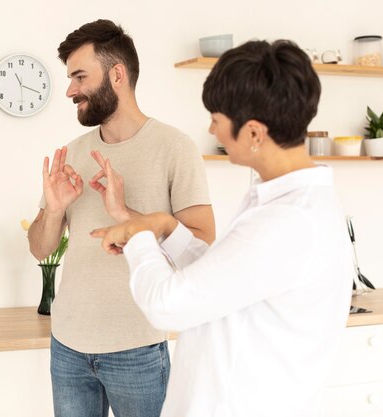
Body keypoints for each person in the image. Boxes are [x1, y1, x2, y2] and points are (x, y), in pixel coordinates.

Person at [92, 40, 354, 417]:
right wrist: (168, 229)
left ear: (253, 133)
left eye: (217, 117)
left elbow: (168, 306)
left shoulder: (287, 222)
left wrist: (139, 238)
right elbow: (227, 277)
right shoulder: (285, 204)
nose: (211, 127)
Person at [27, 19, 215, 417]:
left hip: (137, 348)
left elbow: (203, 245)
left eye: (80, 76)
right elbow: (40, 247)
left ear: (117, 74)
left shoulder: (174, 148)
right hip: (68, 346)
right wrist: (55, 208)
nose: (69, 90)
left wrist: (127, 214)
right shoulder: (72, 152)